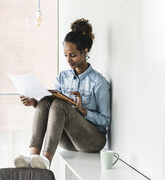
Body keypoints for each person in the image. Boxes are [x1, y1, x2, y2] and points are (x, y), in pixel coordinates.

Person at [14, 18, 111, 169]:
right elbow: (54, 112)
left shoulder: (98, 82)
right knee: (47, 101)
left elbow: (105, 121)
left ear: (84, 51)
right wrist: (34, 103)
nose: (68, 60)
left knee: (60, 104)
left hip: (92, 141)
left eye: (72, 55)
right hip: (68, 140)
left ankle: (45, 161)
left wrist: (83, 111)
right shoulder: (62, 77)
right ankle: (33, 157)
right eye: (66, 55)